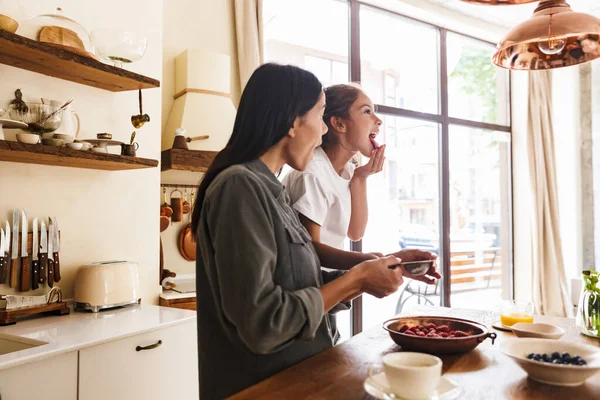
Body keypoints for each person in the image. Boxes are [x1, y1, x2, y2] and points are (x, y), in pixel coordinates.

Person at [191, 63, 439, 399]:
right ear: (293, 121)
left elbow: (297, 284)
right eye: (321, 116)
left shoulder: (271, 190)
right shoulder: (240, 186)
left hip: (303, 374)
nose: (324, 131)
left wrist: (380, 268)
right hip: (266, 387)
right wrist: (356, 279)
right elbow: (265, 323)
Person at [283, 83, 385, 251]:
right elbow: (312, 251)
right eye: (367, 111)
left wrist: (360, 177)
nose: (379, 120)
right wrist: (369, 263)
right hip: (314, 275)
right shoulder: (313, 173)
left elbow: (355, 233)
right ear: (339, 124)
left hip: (332, 274)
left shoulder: (350, 171)